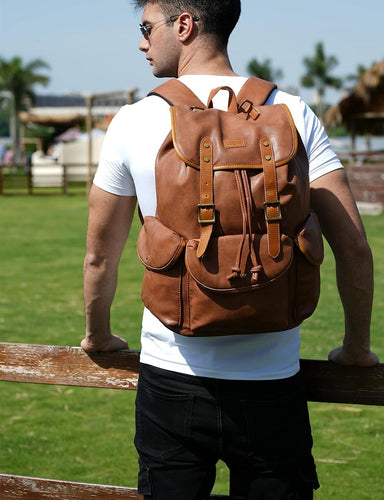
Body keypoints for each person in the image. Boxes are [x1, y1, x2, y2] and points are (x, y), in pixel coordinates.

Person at [81, 1, 379, 498]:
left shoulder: (133, 121)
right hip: (273, 381)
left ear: (184, 24)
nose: (141, 42)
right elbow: (354, 247)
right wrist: (355, 348)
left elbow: (99, 256)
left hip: (172, 379)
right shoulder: (293, 112)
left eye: (146, 27)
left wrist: (98, 334)